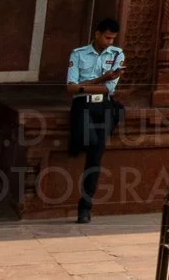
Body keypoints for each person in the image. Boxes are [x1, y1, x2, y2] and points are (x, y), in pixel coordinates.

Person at [64, 19, 124, 223]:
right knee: (86, 138)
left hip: (104, 106)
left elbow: (109, 89)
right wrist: (100, 79)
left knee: (95, 158)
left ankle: (85, 207)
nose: (109, 41)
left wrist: (85, 85)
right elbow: (70, 88)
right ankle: (77, 142)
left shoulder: (117, 54)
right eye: (107, 37)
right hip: (82, 105)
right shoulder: (79, 53)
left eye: (112, 38)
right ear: (97, 34)